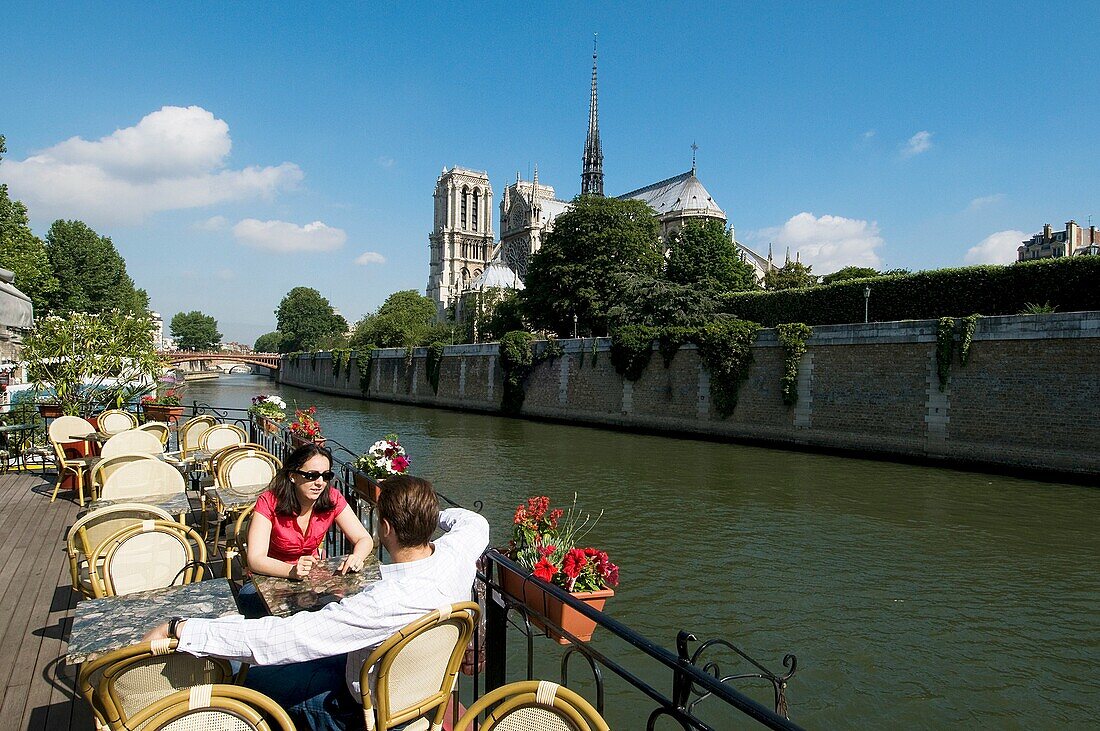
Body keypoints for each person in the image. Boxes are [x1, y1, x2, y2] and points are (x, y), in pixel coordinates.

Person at [144, 475, 489, 731]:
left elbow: (285, 638)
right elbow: (475, 521)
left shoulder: (381, 602)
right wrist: (426, 513)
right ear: (428, 522)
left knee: (250, 681)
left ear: (385, 529)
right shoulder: (456, 555)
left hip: (363, 714)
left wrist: (183, 628)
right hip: (424, 695)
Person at [234, 443, 373, 618]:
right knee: (248, 600)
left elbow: (364, 539)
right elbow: (255, 559)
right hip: (269, 578)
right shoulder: (269, 502)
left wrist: (357, 557)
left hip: (311, 577)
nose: (320, 483)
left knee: (351, 602)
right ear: (292, 475)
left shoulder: (332, 498)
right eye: (311, 475)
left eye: (326, 476)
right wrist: (291, 571)